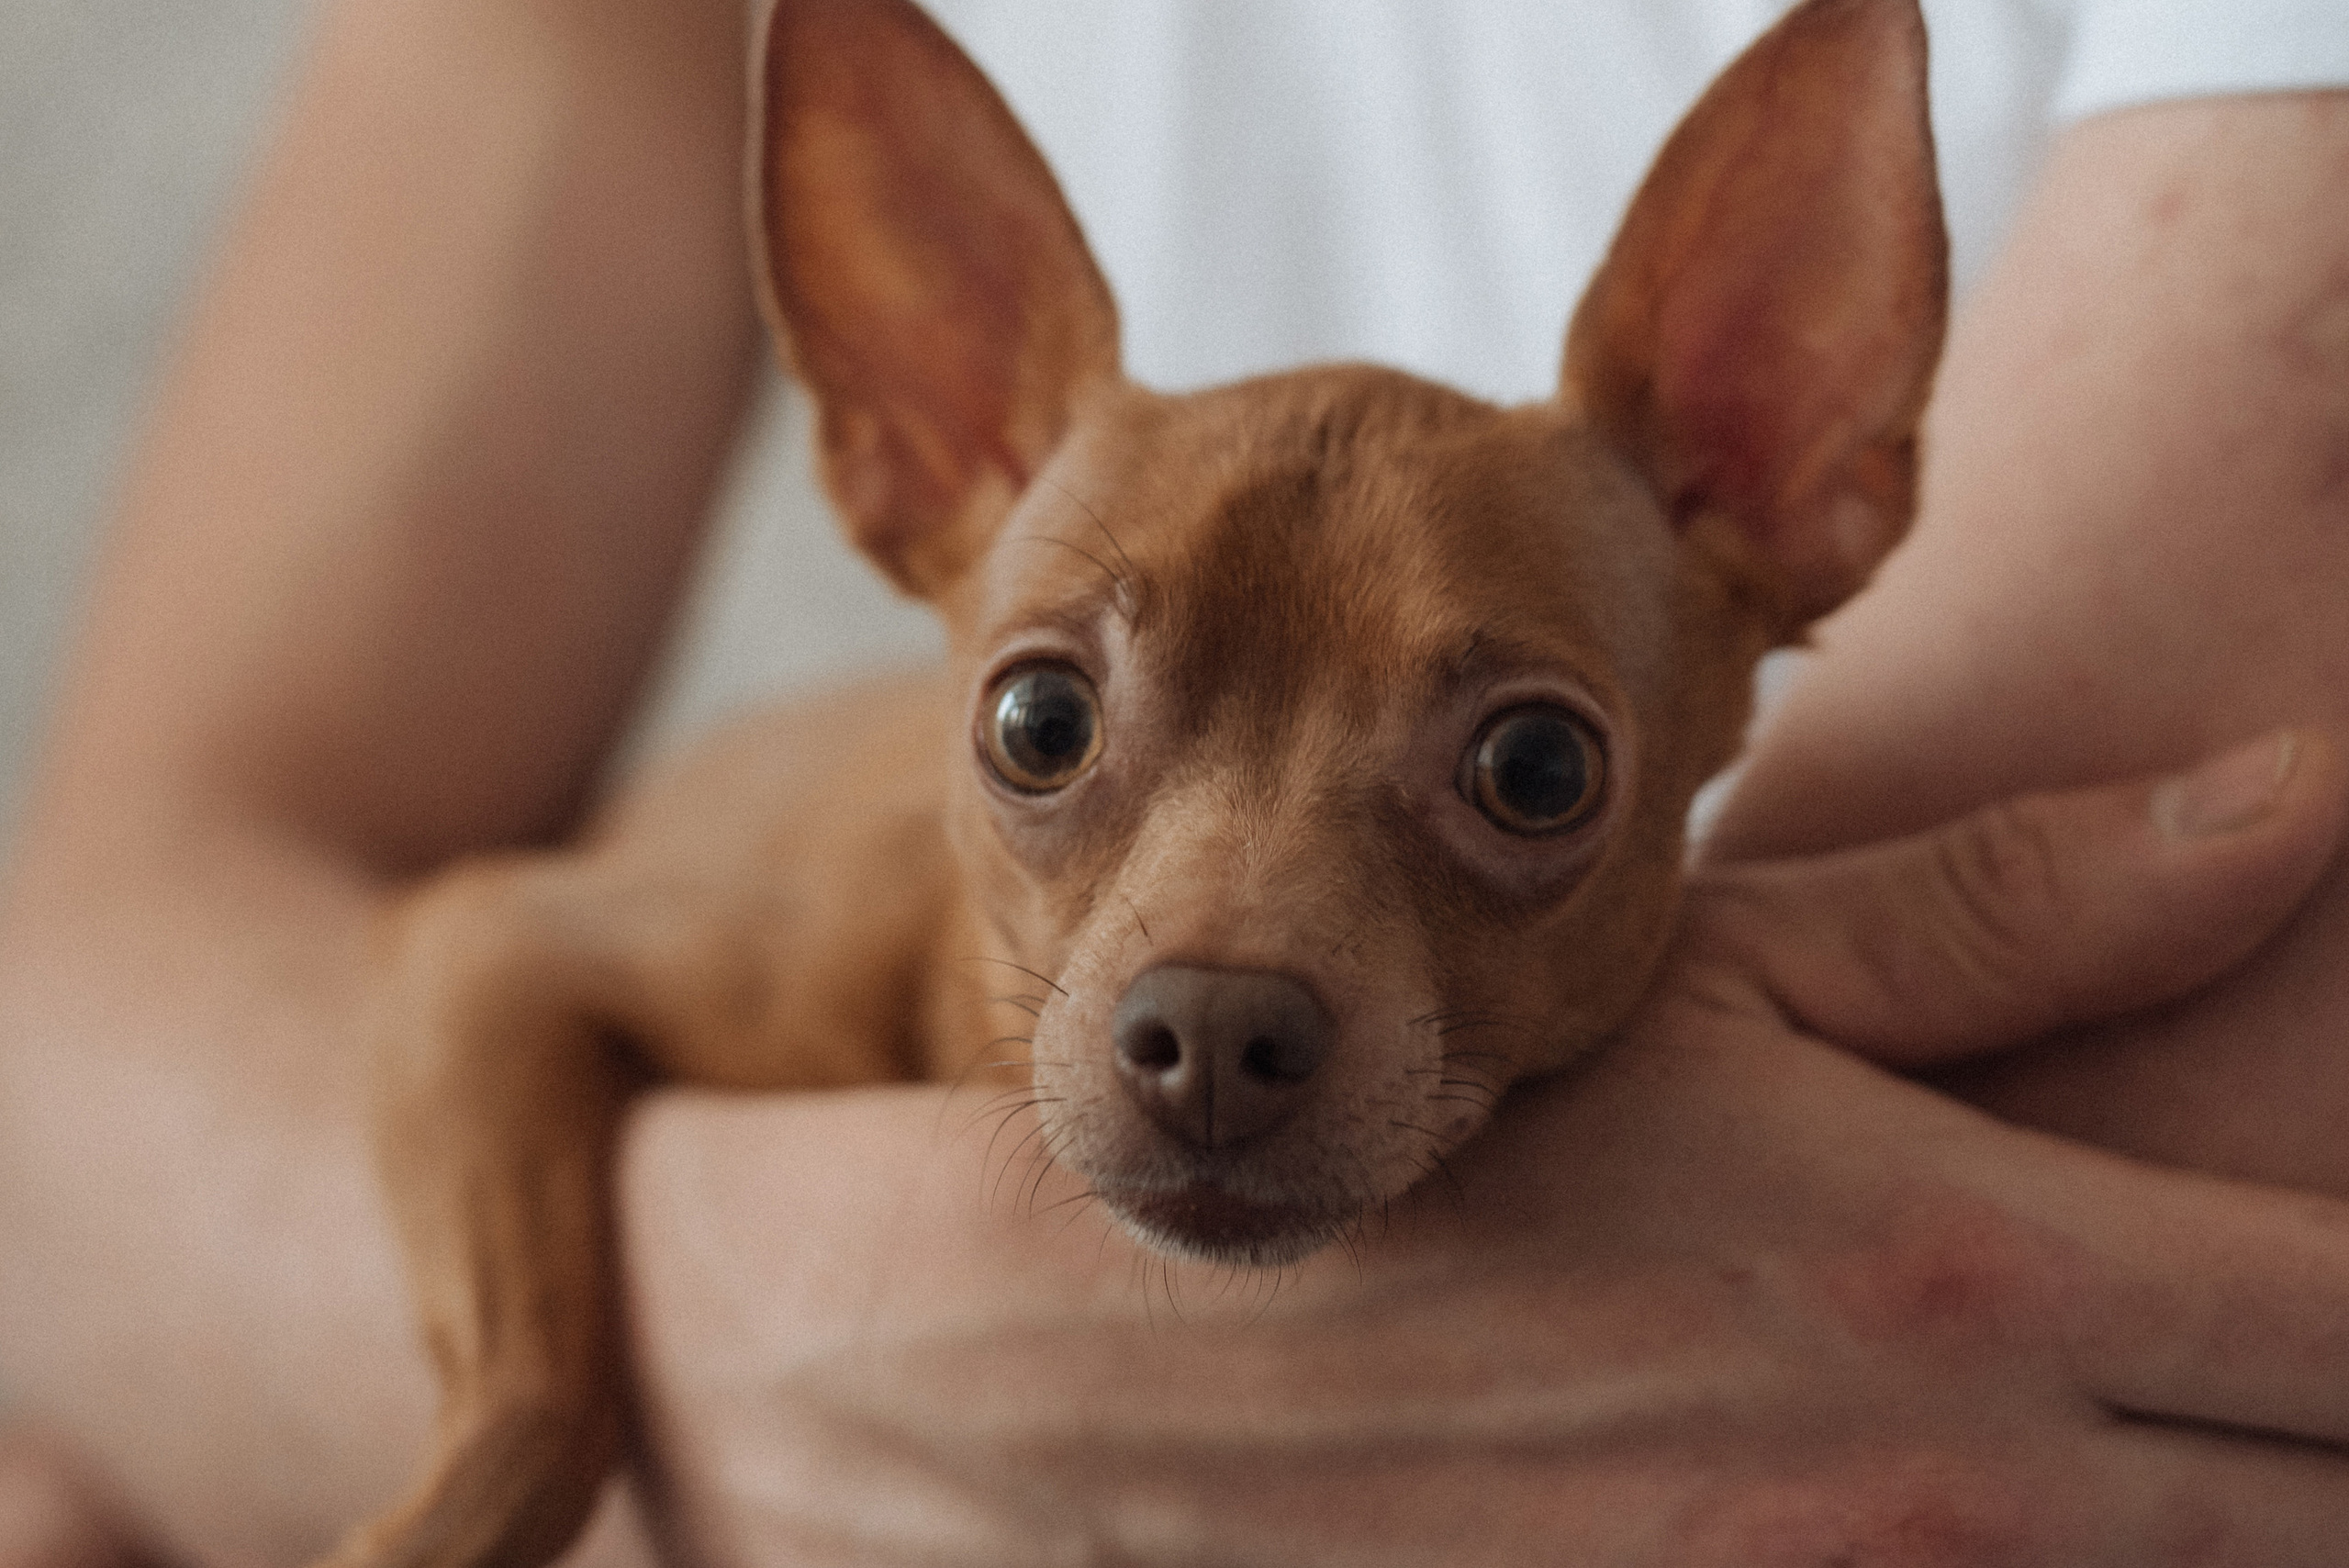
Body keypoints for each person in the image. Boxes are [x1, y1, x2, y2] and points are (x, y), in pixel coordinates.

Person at [2, 0, 2345, 1562]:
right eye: (1050, 735)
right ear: (920, 441)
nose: (1216, 974)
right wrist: (571, 1411)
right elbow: (116, 1032)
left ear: (1784, 478)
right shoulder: (830, 909)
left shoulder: (1680, 522)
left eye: (1517, 772)